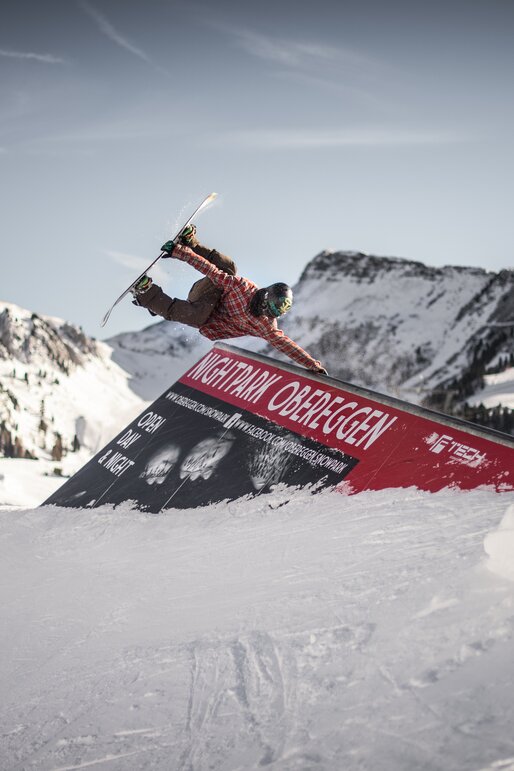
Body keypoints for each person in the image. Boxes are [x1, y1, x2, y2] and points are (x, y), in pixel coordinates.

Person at [131, 225, 328, 373]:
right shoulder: (242, 288)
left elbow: (286, 344)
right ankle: (190, 242)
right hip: (205, 294)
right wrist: (181, 252)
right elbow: (211, 271)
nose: (263, 314)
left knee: (197, 316)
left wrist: (313, 365)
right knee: (229, 268)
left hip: (207, 321)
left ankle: (146, 293)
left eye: (270, 314)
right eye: (265, 308)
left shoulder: (265, 325)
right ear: (265, 296)